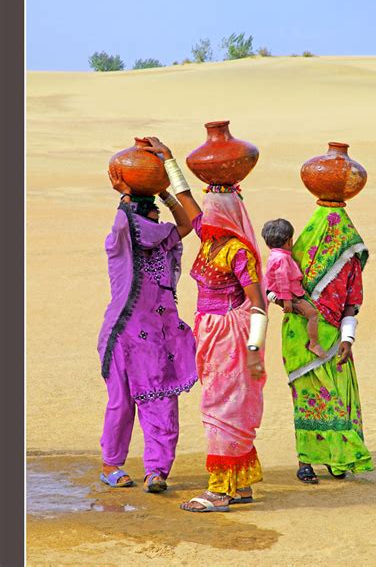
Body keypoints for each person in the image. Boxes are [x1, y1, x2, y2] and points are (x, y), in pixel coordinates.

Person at [140, 136, 268, 513]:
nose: (204, 218)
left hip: (231, 336)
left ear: (224, 216)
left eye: (212, 212)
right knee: (220, 406)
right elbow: (191, 207)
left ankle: (220, 491)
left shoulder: (237, 251)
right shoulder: (211, 239)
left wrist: (255, 350)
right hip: (211, 334)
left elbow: (258, 303)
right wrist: (168, 166)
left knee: (222, 410)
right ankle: (239, 484)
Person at [97, 163, 198, 493]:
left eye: (157, 218)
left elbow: (186, 224)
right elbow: (124, 222)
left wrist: (165, 193)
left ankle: (157, 471)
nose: (157, 225)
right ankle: (111, 464)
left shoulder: (164, 240)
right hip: (123, 335)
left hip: (158, 338)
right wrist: (125, 196)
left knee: (162, 402)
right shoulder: (120, 244)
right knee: (121, 403)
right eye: (151, 218)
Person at [274, 206, 374, 483]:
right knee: (309, 399)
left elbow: (351, 306)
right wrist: (292, 304)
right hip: (302, 342)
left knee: (329, 399)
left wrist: (347, 339)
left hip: (323, 342)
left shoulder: (347, 263)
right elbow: (273, 291)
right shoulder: (294, 257)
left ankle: (334, 456)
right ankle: (306, 460)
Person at [262, 218, 327, 358]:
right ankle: (314, 344)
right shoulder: (282, 259)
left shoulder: (275, 255)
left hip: (279, 292)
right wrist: (287, 300)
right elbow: (282, 279)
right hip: (288, 295)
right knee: (313, 314)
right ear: (289, 241)